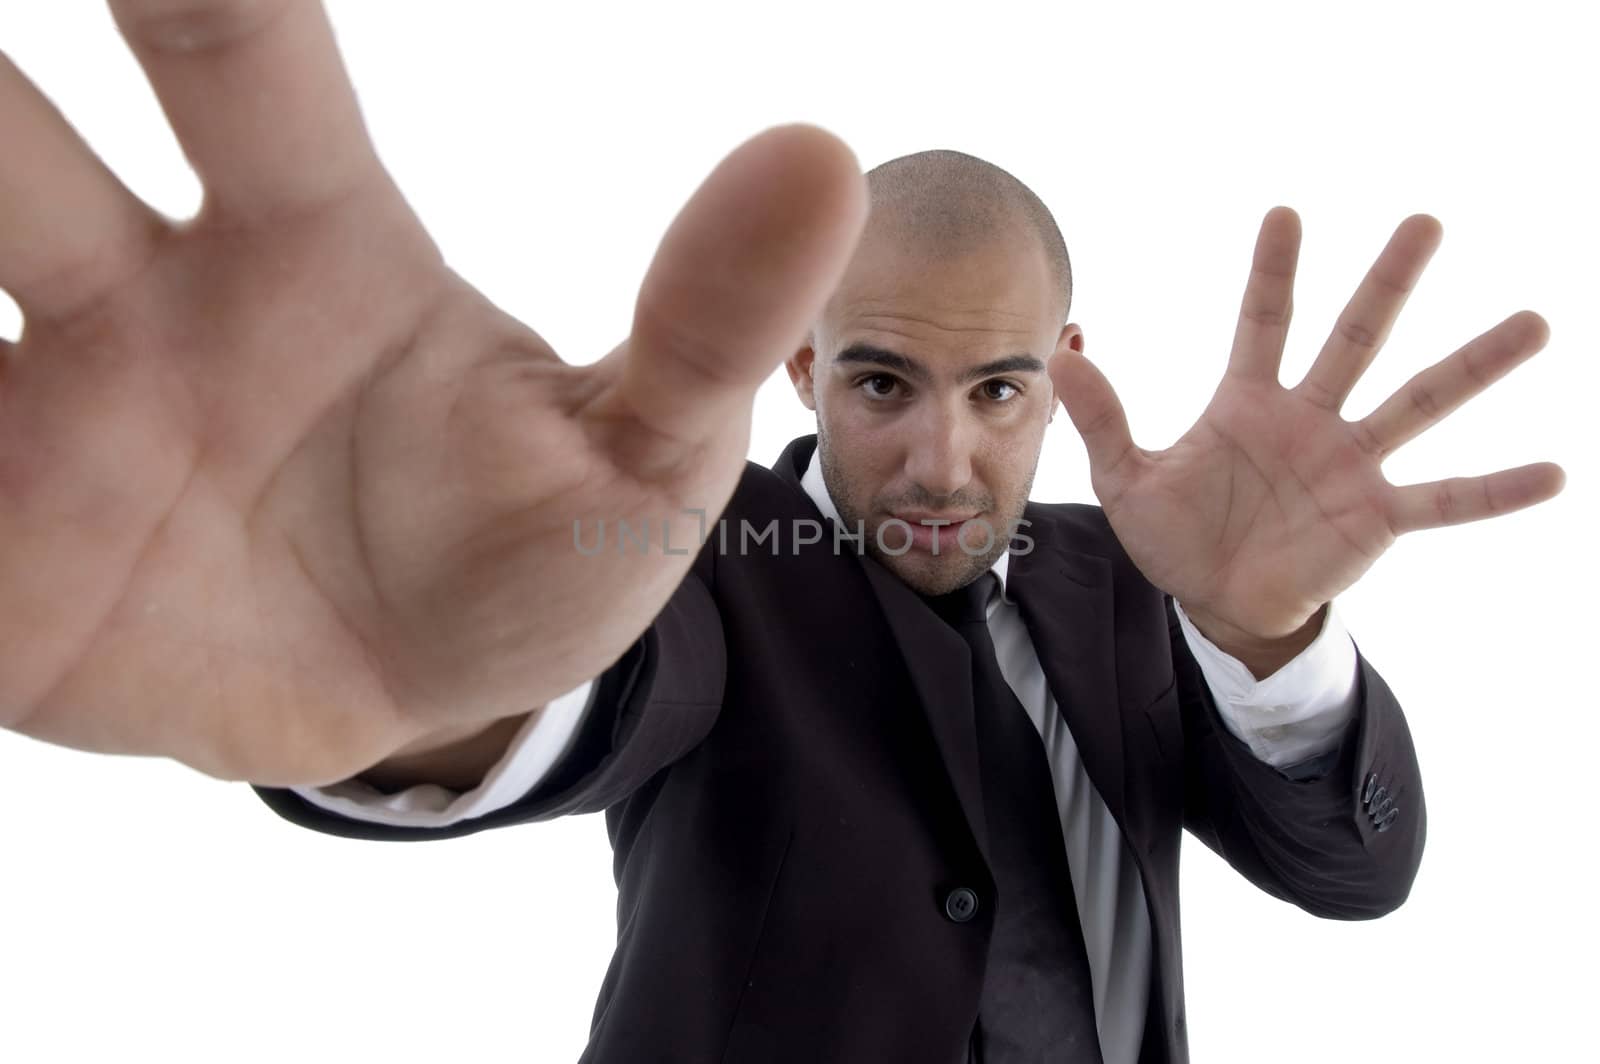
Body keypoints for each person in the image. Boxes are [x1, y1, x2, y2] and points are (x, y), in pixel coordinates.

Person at [0, 3, 1565, 1063]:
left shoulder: (1144, 579)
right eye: (883, 381)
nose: (941, 456)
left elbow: (1357, 881)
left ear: (1064, 371)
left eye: (1000, 388)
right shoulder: (695, 556)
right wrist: (425, 688)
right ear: (807, 368)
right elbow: (606, 681)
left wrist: (1267, 639)